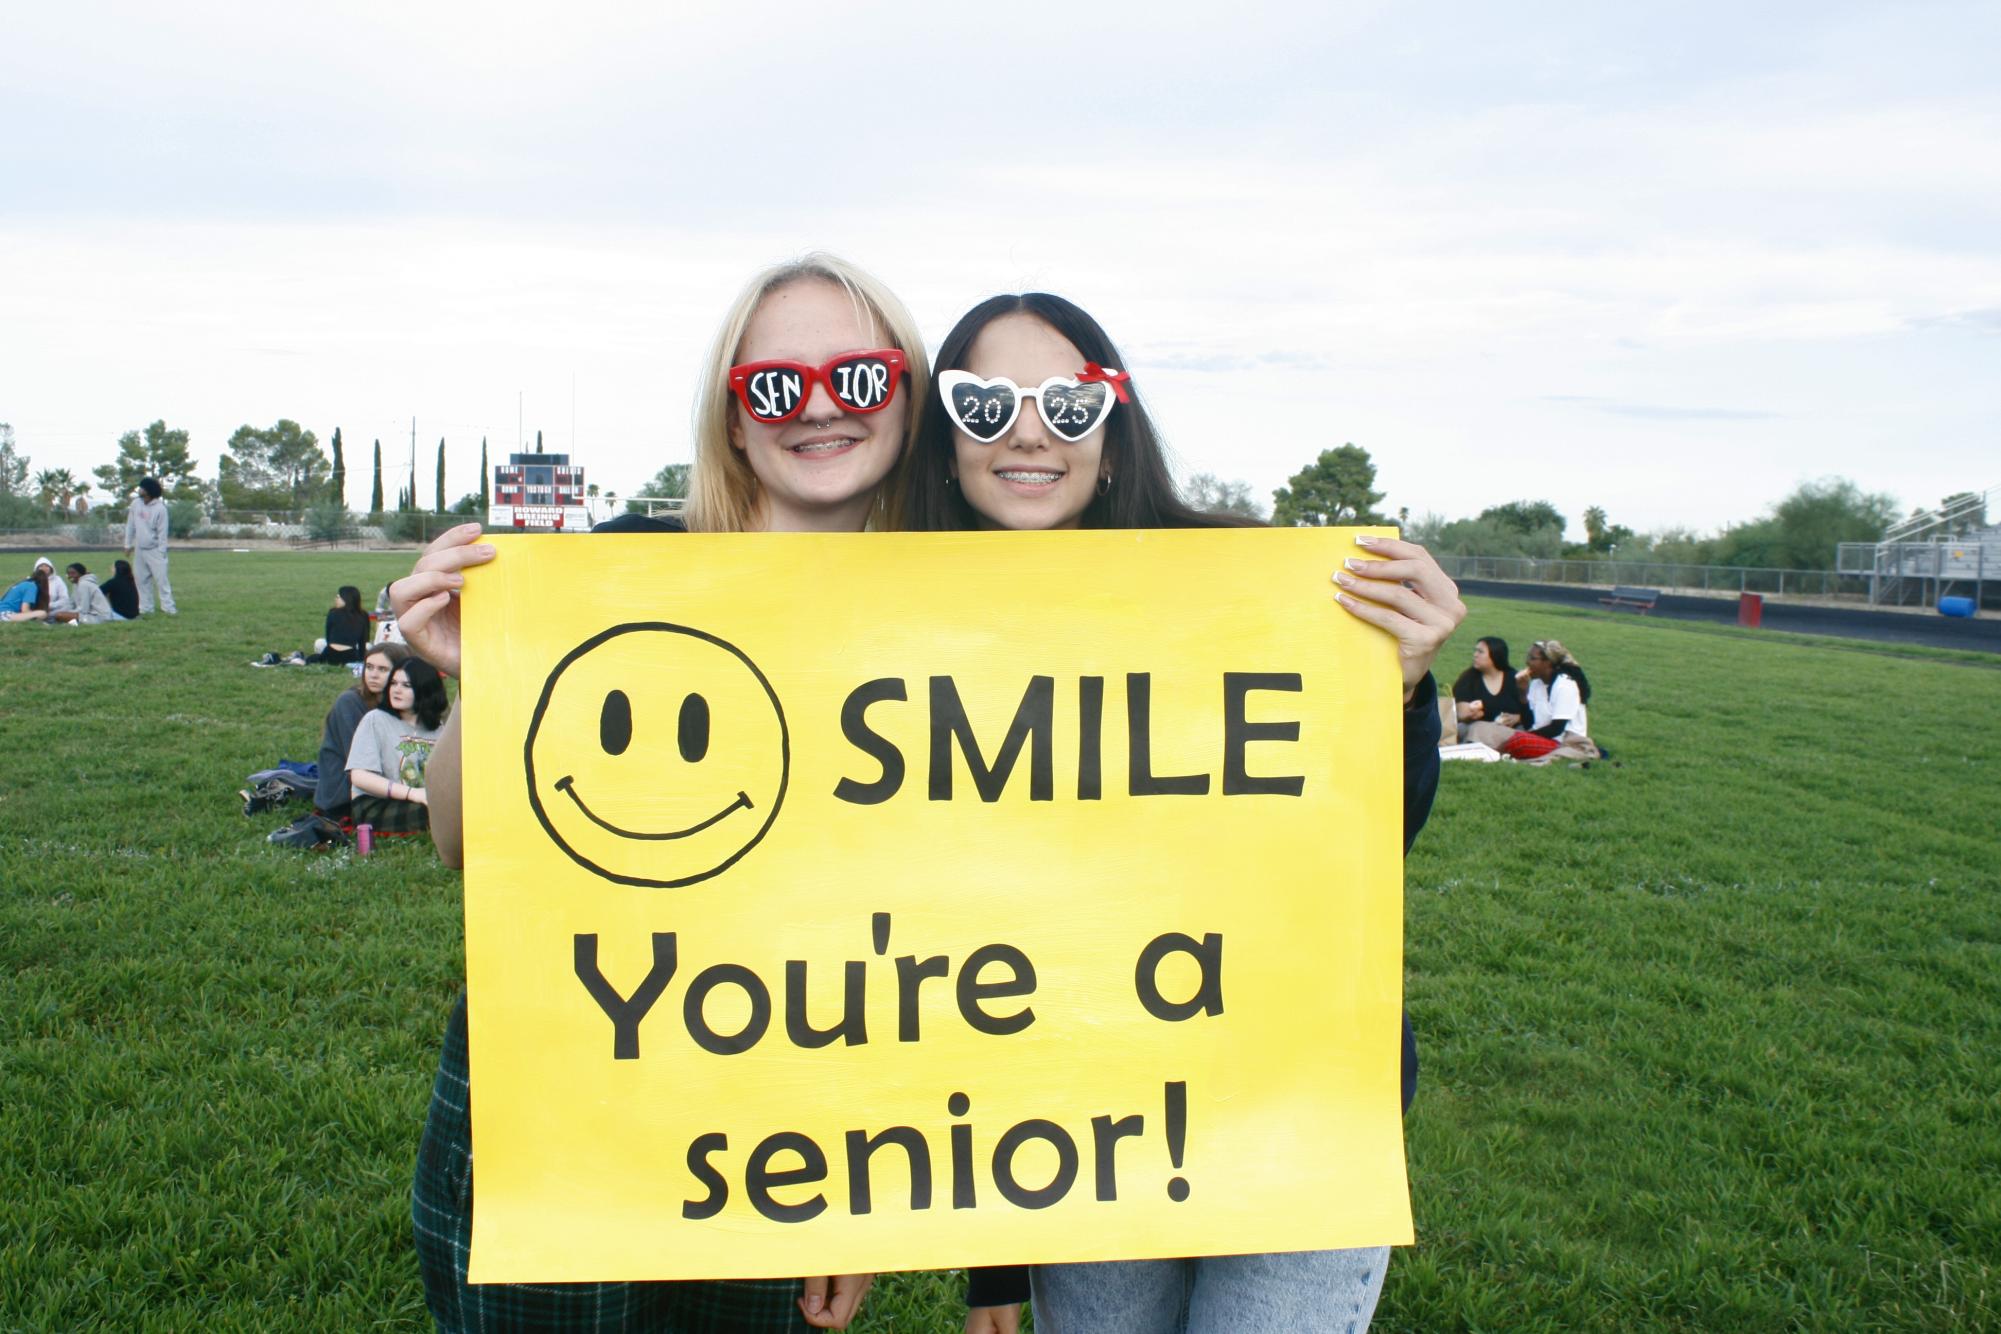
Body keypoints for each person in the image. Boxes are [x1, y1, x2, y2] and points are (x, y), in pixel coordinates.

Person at [898, 292, 1464, 1334]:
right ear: (946, 442)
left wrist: (1406, 682)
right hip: (1077, 1126)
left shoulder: (1264, 590)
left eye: (1069, 404)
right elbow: (935, 959)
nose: (1028, 429)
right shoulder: (904, 639)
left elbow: (1373, 837)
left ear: (1112, 438)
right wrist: (992, 1267)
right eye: (985, 405)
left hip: (1290, 1101)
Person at [390, 253, 927, 1333]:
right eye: (774, 383)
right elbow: (460, 842)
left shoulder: (959, 619)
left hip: (783, 1135)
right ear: (735, 421)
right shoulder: (617, 573)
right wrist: (474, 682)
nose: (819, 405)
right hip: (560, 1100)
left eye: (859, 376)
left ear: (907, 395)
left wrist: (871, 1190)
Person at [346, 656, 449, 833]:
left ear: (425, 690)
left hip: (423, 799)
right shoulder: (375, 720)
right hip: (376, 804)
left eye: (406, 685)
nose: (396, 690)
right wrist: (412, 793)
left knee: (458, 807)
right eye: (394, 683)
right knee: (438, 813)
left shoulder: (437, 729)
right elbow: (359, 776)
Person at [315, 642, 411, 821]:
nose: (373, 675)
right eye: (369, 667)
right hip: (347, 796)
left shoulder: (401, 703)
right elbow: (362, 764)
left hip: (388, 785)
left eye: (382, 669)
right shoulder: (350, 703)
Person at [1467, 638, 1597, 761]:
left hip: (1559, 741)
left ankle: (1492, 753)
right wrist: (1523, 694)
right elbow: (1529, 723)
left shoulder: (1565, 684)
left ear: (1548, 663)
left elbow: (1556, 729)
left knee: (1520, 741)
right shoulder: (1536, 683)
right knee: (1479, 726)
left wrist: (1525, 735)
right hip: (1534, 734)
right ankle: (1485, 749)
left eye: (1533, 658)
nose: (1527, 662)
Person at [1451, 636, 1524, 741]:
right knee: (1472, 728)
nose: (1475, 655)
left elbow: (1529, 710)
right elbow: (1462, 713)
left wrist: (1518, 717)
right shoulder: (1468, 678)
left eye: (1480, 652)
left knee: (1522, 732)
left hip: (1508, 729)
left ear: (1495, 655)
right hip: (1476, 728)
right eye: (1475, 651)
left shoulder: (1514, 678)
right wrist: (1469, 714)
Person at [124, 476, 177, 615]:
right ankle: (146, 608)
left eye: (142, 488)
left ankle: (168, 608)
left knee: (161, 581)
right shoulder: (136, 504)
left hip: (155, 550)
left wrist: (161, 551)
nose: (139, 490)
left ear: (148, 490)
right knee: (141, 580)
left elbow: (162, 532)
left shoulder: (160, 509)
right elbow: (130, 525)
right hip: (140, 550)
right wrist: (128, 544)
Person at [51, 563, 123, 624]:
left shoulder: (84, 584)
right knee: (59, 615)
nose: (70, 576)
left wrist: (67, 613)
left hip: (100, 618)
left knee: (60, 615)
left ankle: (73, 625)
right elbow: (71, 604)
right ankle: (72, 625)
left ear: (81, 574)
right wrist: (59, 611)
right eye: (68, 574)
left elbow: (83, 609)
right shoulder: (76, 584)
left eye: (73, 573)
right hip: (88, 615)